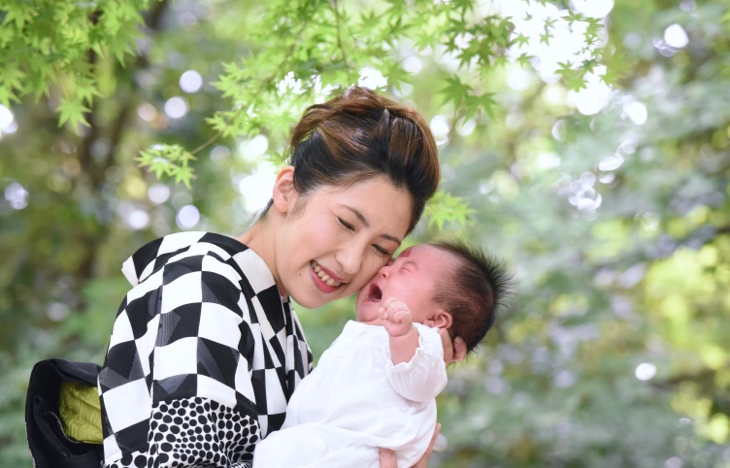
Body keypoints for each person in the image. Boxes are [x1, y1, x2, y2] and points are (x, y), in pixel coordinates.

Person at [92, 86, 457, 468]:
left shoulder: (291, 337)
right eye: (346, 223)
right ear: (288, 190)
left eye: (380, 249)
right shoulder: (203, 285)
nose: (352, 263)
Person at [252, 241, 513, 467]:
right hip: (328, 443)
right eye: (392, 262)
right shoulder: (367, 335)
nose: (384, 270)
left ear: (437, 321)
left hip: (359, 452)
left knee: (277, 456)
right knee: (275, 454)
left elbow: (421, 381)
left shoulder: (425, 343)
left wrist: (405, 335)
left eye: (405, 270)